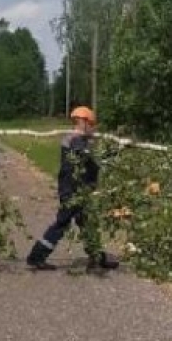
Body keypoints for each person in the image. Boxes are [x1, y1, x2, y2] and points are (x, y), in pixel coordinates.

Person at [25, 105, 119, 271]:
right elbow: (85, 155)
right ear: (83, 122)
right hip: (72, 191)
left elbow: (91, 158)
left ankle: (96, 257)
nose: (93, 128)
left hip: (80, 190)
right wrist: (105, 156)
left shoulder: (81, 139)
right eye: (91, 124)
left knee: (86, 223)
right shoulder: (75, 140)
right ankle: (36, 256)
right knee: (62, 223)